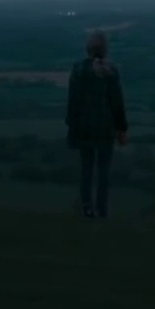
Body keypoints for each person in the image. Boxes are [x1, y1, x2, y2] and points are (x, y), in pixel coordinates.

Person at [66, 30, 129, 218]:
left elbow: (73, 101)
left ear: (88, 49)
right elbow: (117, 102)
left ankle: (87, 207)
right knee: (103, 171)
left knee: (86, 169)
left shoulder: (78, 69)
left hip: (84, 127)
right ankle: (102, 209)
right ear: (105, 50)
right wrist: (122, 128)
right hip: (105, 128)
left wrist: (71, 125)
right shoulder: (111, 71)